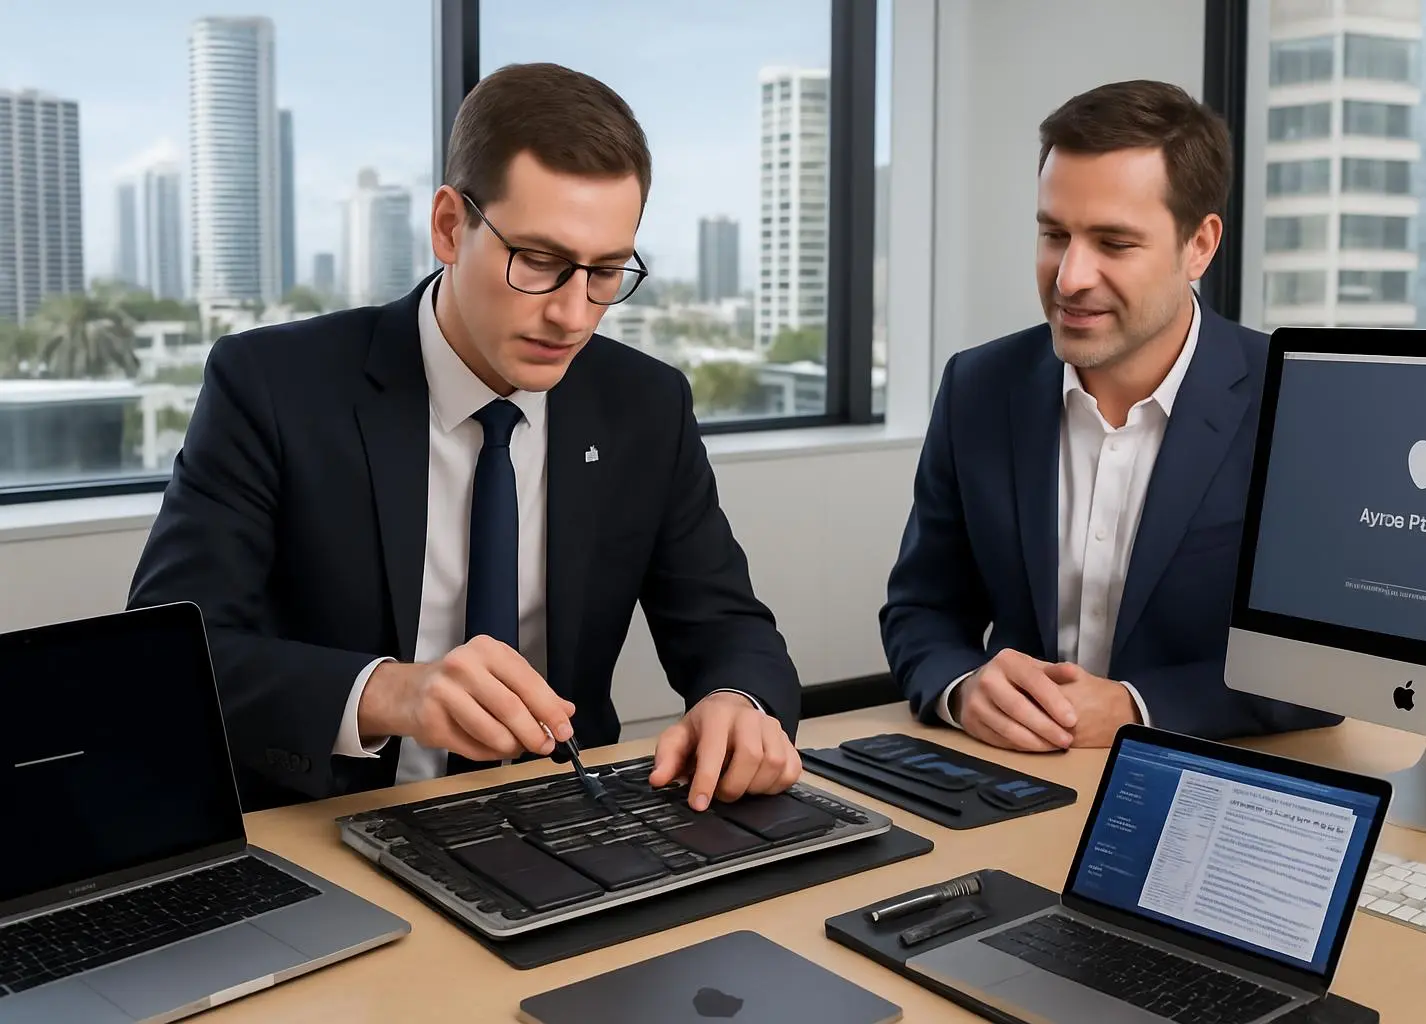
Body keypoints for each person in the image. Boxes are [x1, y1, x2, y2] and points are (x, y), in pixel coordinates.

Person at [128, 62, 803, 811]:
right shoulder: (272, 384)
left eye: (607, 272)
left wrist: (739, 703)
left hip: (565, 819)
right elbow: (169, 658)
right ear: (450, 227)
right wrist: (389, 691)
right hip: (334, 825)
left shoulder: (646, 404)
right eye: (540, 263)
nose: (574, 315)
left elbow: (727, 624)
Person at [879, 79, 1341, 751]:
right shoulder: (978, 387)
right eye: (1054, 234)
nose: (1069, 277)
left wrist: (1137, 709)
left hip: (1206, 781)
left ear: (1199, 247)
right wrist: (963, 687)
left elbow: (1323, 667)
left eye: (1114, 243)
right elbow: (922, 609)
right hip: (1014, 777)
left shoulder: (1295, 401)